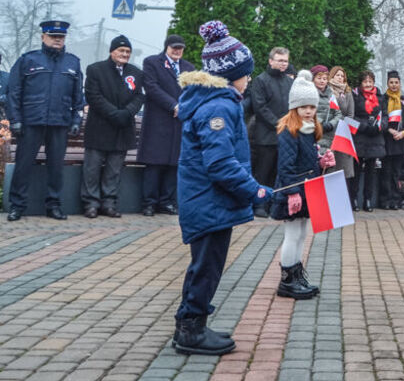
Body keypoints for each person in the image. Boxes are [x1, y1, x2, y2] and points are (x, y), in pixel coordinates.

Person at [174, 20, 270, 356]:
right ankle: (189, 330)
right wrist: (256, 191)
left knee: (206, 266)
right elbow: (219, 164)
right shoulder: (219, 106)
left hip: (208, 201)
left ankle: (192, 324)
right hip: (208, 201)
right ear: (232, 74)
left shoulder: (217, 100)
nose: (249, 79)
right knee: (206, 267)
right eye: (246, 73)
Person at [6, 20, 84, 221]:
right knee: (23, 165)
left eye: (61, 37)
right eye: (53, 36)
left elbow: (78, 97)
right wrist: (15, 119)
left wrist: (76, 119)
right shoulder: (28, 60)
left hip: (59, 122)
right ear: (43, 37)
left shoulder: (73, 62)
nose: (57, 40)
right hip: (31, 121)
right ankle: (17, 206)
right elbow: (14, 92)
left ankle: (54, 205)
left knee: (56, 167)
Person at [272, 71, 326, 300]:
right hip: (292, 190)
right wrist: (293, 193)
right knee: (292, 235)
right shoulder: (289, 131)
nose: (308, 111)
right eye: (303, 107)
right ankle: (286, 281)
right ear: (295, 107)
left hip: (306, 190)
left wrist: (322, 162)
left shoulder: (310, 130)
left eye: (312, 107)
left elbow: (308, 162)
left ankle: (296, 274)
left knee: (302, 233)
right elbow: (285, 167)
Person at [81, 35, 145, 218]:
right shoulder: (95, 70)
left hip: (122, 129)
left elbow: (140, 96)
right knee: (92, 169)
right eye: (121, 50)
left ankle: (109, 203)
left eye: (127, 52)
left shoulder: (136, 72)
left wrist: (126, 113)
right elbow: (93, 96)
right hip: (99, 127)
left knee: (114, 170)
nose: (124, 54)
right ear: (112, 51)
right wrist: (114, 114)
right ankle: (91, 204)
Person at [138, 35, 196, 216]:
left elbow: (192, 90)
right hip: (158, 120)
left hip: (179, 123)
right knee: (154, 164)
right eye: (174, 48)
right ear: (166, 48)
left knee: (174, 163)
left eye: (180, 48)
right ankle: (149, 202)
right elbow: (152, 87)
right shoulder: (152, 62)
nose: (177, 51)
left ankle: (167, 201)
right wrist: (173, 105)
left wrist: (186, 106)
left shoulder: (188, 67)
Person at [249, 47, 292, 216]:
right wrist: (279, 123)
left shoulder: (289, 82)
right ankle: (259, 205)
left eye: (286, 61)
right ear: (271, 61)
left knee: (278, 172)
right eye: (280, 60)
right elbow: (260, 107)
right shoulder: (261, 80)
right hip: (266, 136)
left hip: (284, 136)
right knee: (263, 172)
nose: (283, 64)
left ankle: (274, 204)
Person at [351, 70, 386, 211]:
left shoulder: (380, 97)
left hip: (375, 137)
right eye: (365, 82)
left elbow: (385, 116)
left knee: (371, 171)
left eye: (370, 82)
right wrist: (364, 126)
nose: (368, 84)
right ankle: (353, 198)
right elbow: (351, 116)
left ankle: (368, 199)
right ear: (361, 83)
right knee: (356, 170)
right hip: (360, 135)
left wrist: (379, 126)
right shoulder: (355, 96)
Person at [382, 70, 404, 210]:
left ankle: (395, 200)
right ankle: (385, 200)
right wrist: (389, 129)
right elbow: (380, 118)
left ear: (400, 84)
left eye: (396, 83)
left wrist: (403, 133)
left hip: (400, 141)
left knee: (396, 172)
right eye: (391, 83)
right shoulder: (383, 99)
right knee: (386, 172)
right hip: (387, 140)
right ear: (387, 83)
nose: (394, 85)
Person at [327, 66, 355, 180]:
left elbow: (350, 114)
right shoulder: (327, 90)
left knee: (343, 168)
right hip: (328, 131)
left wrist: (341, 125)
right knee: (329, 167)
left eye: (342, 76)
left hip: (341, 132)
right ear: (332, 76)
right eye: (337, 75)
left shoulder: (347, 92)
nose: (340, 78)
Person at [311, 65, 340, 158]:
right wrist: (320, 124)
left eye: (324, 78)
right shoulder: (309, 94)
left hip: (329, 135)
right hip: (315, 133)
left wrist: (331, 124)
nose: (322, 81)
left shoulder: (331, 95)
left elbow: (338, 114)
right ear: (313, 79)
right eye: (319, 78)